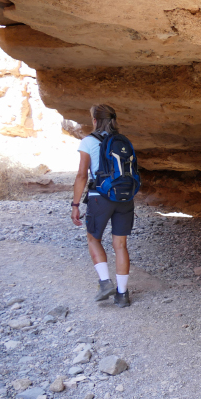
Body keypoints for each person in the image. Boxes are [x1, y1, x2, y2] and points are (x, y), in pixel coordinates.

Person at [70, 104, 134, 308]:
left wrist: (75, 204)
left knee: (93, 238)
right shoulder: (124, 141)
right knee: (121, 245)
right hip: (124, 197)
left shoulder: (88, 141)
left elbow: (81, 175)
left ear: (95, 121)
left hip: (100, 197)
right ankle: (122, 295)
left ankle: (105, 282)